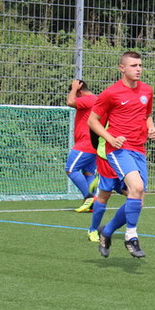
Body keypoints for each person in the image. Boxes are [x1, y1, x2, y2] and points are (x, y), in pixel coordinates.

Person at [88, 51, 155, 259]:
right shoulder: (111, 93)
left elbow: (147, 115)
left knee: (138, 199)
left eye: (140, 65)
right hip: (118, 149)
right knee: (136, 188)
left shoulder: (147, 90)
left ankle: (107, 230)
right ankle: (131, 237)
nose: (138, 69)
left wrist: (151, 128)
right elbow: (92, 121)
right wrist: (110, 138)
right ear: (122, 68)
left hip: (139, 149)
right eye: (133, 65)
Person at [86, 130, 127, 246]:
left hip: (125, 158)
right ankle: (93, 230)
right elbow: (94, 129)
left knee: (136, 197)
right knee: (105, 195)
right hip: (106, 159)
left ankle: (108, 228)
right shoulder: (104, 119)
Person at [65, 80, 98, 213]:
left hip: (85, 144)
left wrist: (73, 88)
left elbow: (70, 102)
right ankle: (91, 205)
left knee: (71, 169)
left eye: (75, 92)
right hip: (92, 144)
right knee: (88, 173)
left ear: (80, 91)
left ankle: (89, 198)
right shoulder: (95, 100)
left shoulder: (89, 99)